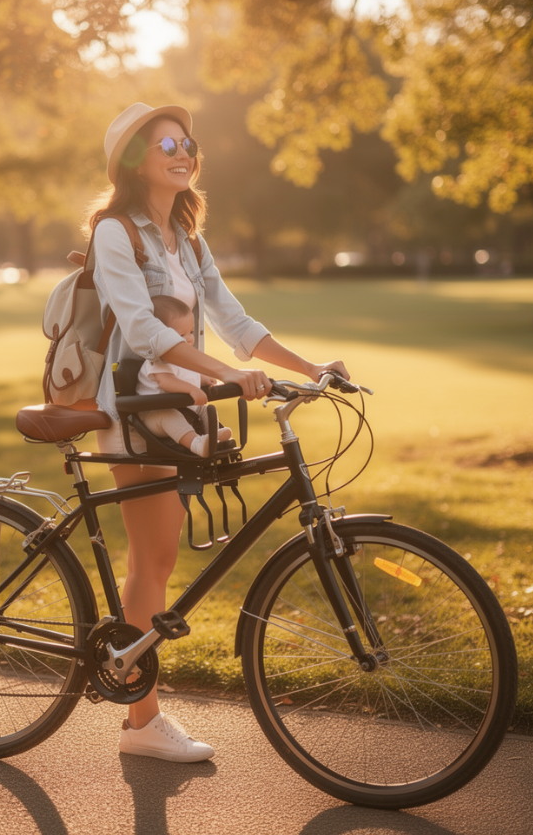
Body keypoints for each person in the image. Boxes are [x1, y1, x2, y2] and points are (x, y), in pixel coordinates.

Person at [89, 102, 349, 762]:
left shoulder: (188, 239)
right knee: (153, 558)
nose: (183, 152)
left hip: (182, 406)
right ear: (134, 161)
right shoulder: (115, 233)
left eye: (188, 143)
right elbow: (142, 327)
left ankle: (137, 706)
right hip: (137, 407)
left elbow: (235, 320)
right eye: (166, 144)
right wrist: (226, 373)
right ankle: (142, 722)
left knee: (157, 558)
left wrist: (309, 367)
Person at [137, 295, 234, 457]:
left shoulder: (182, 359)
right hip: (155, 415)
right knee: (170, 416)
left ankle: (213, 436)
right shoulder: (157, 359)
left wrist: (203, 379)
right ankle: (195, 443)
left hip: (182, 408)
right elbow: (166, 381)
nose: (189, 338)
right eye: (181, 335)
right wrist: (191, 389)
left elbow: (187, 374)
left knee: (204, 409)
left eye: (191, 332)